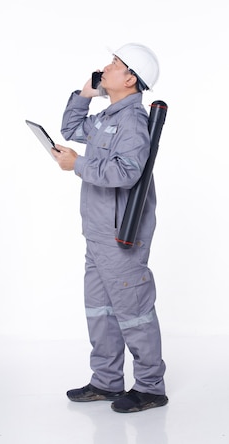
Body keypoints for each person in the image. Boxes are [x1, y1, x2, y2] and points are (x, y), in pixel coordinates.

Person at [53, 43, 168, 413]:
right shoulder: (107, 117)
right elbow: (70, 127)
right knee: (100, 310)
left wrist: (78, 165)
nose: (105, 67)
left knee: (133, 311)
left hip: (121, 236)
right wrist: (84, 93)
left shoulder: (133, 122)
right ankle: (106, 380)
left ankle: (150, 387)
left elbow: (127, 172)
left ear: (130, 77)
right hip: (98, 232)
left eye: (114, 64)